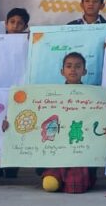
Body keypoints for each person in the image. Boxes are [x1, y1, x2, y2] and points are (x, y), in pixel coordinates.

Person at [39, 52, 98, 194]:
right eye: (69, 66)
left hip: (80, 147)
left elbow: (98, 119)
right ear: (62, 71)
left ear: (84, 71)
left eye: (78, 66)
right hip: (57, 147)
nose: (73, 70)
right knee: (49, 184)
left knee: (75, 187)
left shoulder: (94, 95)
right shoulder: (51, 95)